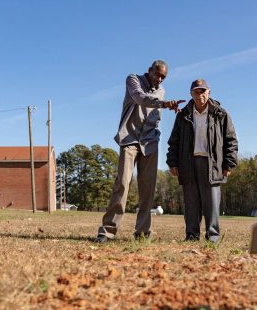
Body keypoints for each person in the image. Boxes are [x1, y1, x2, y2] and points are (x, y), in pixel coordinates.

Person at [95, 60, 184, 243]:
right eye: (157, 74)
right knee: (123, 183)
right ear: (149, 71)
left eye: (163, 77)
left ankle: (142, 233)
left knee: (148, 188)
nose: (159, 79)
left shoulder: (161, 91)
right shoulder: (133, 79)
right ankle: (107, 231)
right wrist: (165, 104)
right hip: (130, 139)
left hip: (150, 142)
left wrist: (162, 114)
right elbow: (140, 97)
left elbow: (155, 116)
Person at [166, 79, 238, 242]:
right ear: (191, 94)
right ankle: (192, 235)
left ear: (209, 92)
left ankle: (213, 236)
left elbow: (231, 140)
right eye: (196, 92)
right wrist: (173, 162)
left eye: (203, 91)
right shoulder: (183, 115)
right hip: (188, 162)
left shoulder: (221, 114)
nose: (200, 95)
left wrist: (229, 163)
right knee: (191, 202)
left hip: (212, 163)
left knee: (212, 202)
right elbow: (174, 141)